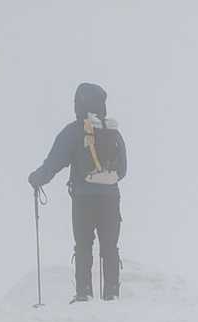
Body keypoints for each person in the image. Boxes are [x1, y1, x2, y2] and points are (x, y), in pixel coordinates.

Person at [29, 82, 128, 302]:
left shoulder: (74, 132)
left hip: (83, 200)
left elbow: (54, 161)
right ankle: (112, 294)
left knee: (83, 246)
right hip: (111, 199)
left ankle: (84, 294)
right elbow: (122, 170)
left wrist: (37, 178)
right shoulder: (113, 133)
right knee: (110, 247)